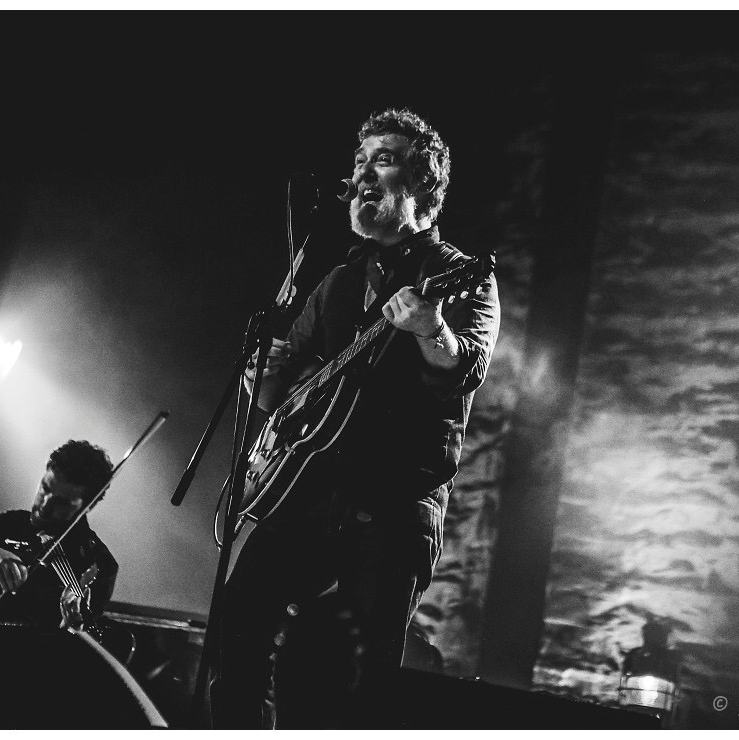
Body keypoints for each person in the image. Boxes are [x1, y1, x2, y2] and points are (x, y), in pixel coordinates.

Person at [209, 108, 500, 728]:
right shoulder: (338, 281)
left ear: (423, 183)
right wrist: (264, 382)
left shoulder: (459, 276)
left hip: (392, 505)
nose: (363, 173)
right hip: (309, 491)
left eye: (383, 160)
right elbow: (284, 399)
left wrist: (431, 328)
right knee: (238, 623)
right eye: (360, 161)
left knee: (357, 686)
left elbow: (462, 371)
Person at [0, 439, 119, 631]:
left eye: (62, 503)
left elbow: (81, 641)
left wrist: (72, 625)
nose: (45, 506)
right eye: (45, 488)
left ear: (87, 507)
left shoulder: (100, 563)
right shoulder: (9, 524)